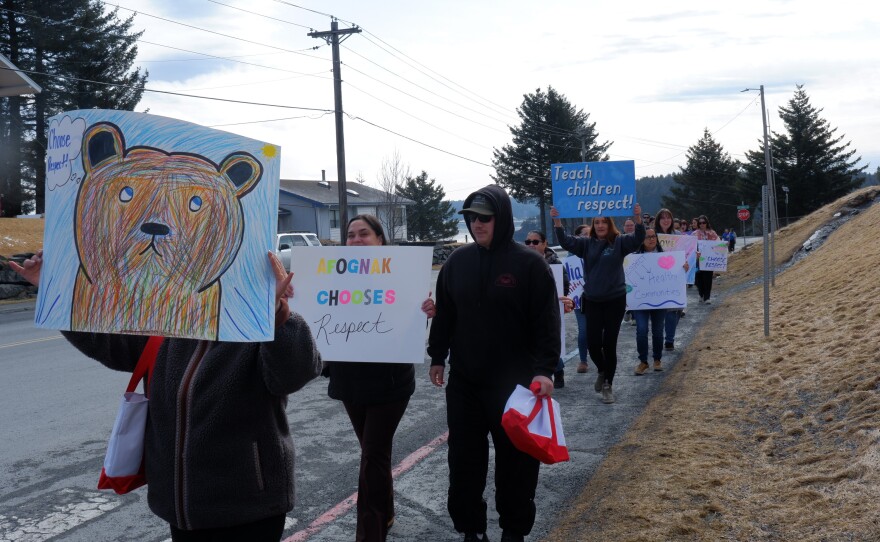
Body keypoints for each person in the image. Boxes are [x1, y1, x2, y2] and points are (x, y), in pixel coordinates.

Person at [11, 250, 322, 541]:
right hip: (178, 506)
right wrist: (55, 289)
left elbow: (294, 373)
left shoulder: (261, 321)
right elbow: (110, 345)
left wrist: (278, 318)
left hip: (248, 506)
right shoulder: (173, 320)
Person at [427, 185, 560, 542]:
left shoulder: (529, 263)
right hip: (466, 382)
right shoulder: (457, 262)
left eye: (484, 217)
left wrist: (545, 369)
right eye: (470, 218)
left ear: (501, 219)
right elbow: (446, 315)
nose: (476, 224)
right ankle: (471, 529)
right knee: (464, 461)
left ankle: (513, 532)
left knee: (516, 464)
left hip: (515, 385)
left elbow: (547, 322)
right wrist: (437, 356)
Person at [324, 214, 436, 542]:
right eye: (351, 235)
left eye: (364, 234)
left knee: (372, 454)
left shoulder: (403, 276)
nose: (356, 240)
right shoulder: (332, 277)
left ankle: (370, 534)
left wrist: (425, 312)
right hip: (349, 381)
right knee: (374, 453)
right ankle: (385, 512)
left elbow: (410, 326)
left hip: (390, 384)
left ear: (380, 240)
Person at [552, 202, 645, 404]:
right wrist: (557, 221)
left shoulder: (619, 242)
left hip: (615, 300)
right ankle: (602, 371)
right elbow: (567, 242)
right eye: (597, 222)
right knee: (593, 344)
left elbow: (639, 239)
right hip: (592, 300)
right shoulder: (586, 243)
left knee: (609, 344)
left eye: (604, 222)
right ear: (593, 225)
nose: (601, 225)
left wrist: (637, 218)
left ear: (610, 224)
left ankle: (608, 386)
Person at [523, 230, 574, 388]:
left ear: (544, 244)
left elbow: (564, 283)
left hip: (550, 309)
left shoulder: (555, 262)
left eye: (535, 242)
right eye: (528, 242)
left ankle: (557, 370)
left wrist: (562, 299)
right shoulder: (521, 261)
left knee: (549, 340)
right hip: (528, 310)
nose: (531, 245)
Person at [631, 229, 668, 374]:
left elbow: (674, 273)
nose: (651, 239)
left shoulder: (665, 256)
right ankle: (643, 361)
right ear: (641, 239)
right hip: (640, 301)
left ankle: (657, 359)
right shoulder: (633, 258)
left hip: (660, 300)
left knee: (658, 331)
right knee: (641, 330)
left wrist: (683, 266)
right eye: (647, 237)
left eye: (653, 236)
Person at [654, 208, 684, 351]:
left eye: (668, 217)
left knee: (677, 309)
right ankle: (668, 339)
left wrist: (692, 257)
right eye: (662, 218)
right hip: (658, 277)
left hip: (676, 276)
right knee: (665, 310)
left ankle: (669, 336)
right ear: (658, 221)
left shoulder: (678, 235)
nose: (666, 220)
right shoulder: (652, 235)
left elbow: (686, 252)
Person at [572, 224, 591, 374]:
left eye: (589, 234)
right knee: (583, 330)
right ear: (577, 236)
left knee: (600, 330)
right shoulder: (571, 257)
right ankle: (583, 360)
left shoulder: (598, 250)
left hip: (598, 297)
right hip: (579, 299)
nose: (588, 236)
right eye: (584, 234)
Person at [693, 214, 719, 304]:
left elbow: (718, 243)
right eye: (700, 223)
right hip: (698, 260)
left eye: (704, 222)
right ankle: (701, 294)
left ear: (707, 223)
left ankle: (707, 297)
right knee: (698, 279)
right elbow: (690, 246)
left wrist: (724, 245)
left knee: (708, 279)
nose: (702, 224)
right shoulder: (694, 234)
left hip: (709, 260)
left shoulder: (712, 233)